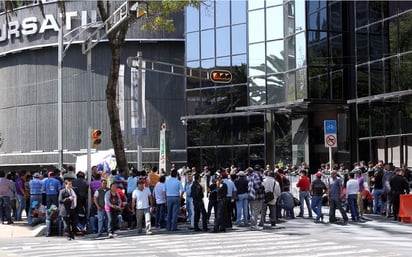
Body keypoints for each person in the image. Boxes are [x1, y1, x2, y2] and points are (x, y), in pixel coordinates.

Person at [247, 166, 265, 230]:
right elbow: (257, 186)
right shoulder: (257, 175)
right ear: (259, 171)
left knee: (253, 211)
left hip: (251, 195)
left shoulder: (250, 176)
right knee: (256, 211)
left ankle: (253, 225)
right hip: (257, 196)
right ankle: (254, 225)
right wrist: (263, 186)